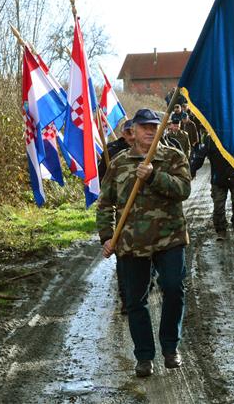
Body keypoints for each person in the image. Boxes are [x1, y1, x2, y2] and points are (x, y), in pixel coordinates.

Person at [96, 108, 192, 378]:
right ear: (133, 131)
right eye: (144, 126)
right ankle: (144, 357)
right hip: (132, 242)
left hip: (169, 237)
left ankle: (171, 348)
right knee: (135, 301)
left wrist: (152, 176)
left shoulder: (173, 157)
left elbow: (183, 190)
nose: (150, 131)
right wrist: (107, 236)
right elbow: (105, 204)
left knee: (174, 288)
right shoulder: (119, 163)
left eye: (154, 126)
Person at [97, 119, 135, 312]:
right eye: (128, 133)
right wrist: (107, 235)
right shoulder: (111, 151)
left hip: (148, 222)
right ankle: (126, 298)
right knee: (124, 263)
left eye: (133, 131)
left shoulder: (148, 150)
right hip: (123, 217)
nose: (131, 136)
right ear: (123, 133)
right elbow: (102, 179)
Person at [190, 133, 234, 239]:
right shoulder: (210, 139)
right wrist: (191, 170)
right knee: (218, 206)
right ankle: (221, 229)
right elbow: (200, 156)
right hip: (218, 178)